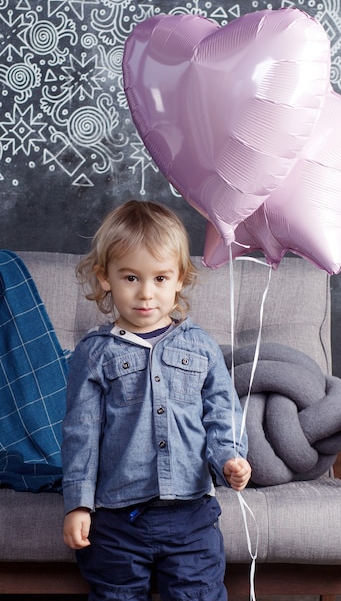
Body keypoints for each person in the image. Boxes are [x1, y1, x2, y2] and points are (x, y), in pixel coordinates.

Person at [61, 200, 251, 601]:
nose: (146, 293)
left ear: (180, 278)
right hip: (117, 518)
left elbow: (222, 412)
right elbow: (81, 432)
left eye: (161, 278)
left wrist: (230, 457)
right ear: (106, 277)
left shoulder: (200, 347)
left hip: (191, 515)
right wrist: (78, 504)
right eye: (131, 277)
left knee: (199, 593)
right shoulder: (95, 353)